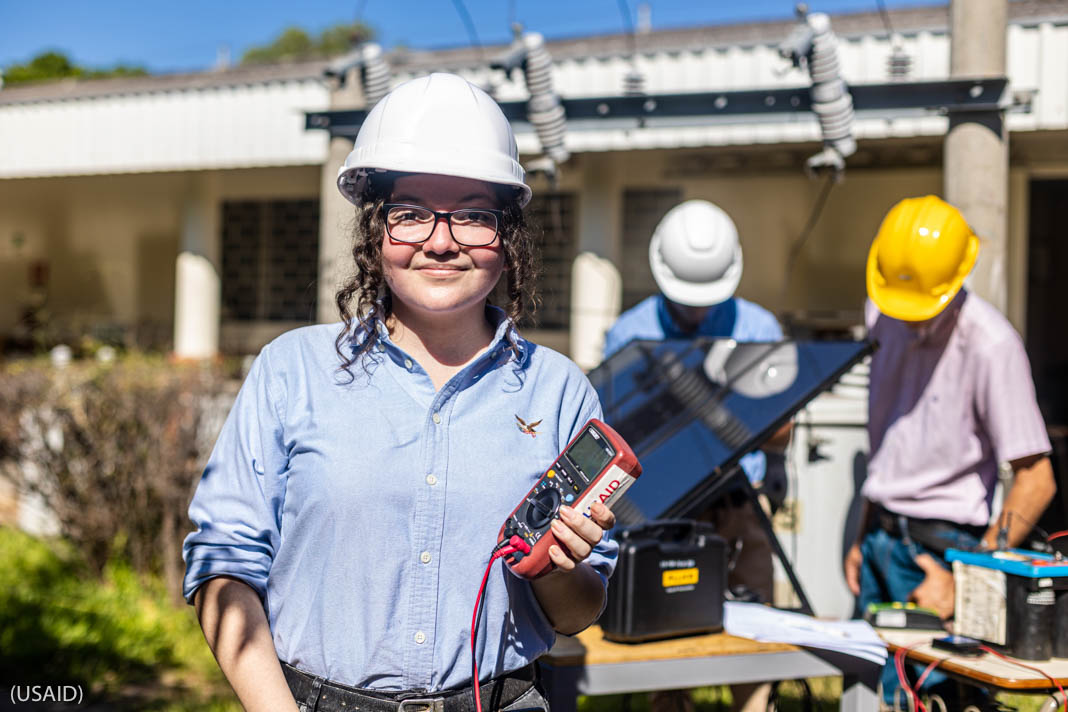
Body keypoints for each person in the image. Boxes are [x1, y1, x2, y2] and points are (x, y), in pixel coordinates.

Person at [182, 73, 619, 712]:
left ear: (508, 237)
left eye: (473, 215)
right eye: (411, 214)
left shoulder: (559, 392)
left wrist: (555, 565)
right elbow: (224, 563)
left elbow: (578, 613)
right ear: (375, 232)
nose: (441, 241)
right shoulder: (291, 371)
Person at [845, 195, 1057, 707]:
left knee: (927, 697)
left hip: (944, 551)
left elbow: (1037, 479)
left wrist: (969, 581)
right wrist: (862, 532)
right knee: (864, 692)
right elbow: (891, 436)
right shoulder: (883, 308)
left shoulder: (991, 344)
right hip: (880, 535)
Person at [603, 199, 785, 712]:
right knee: (669, 643)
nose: (697, 310)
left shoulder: (758, 329)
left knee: (753, 638)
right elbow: (618, 431)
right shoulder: (629, 336)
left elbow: (781, 426)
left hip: (738, 506)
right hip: (662, 510)